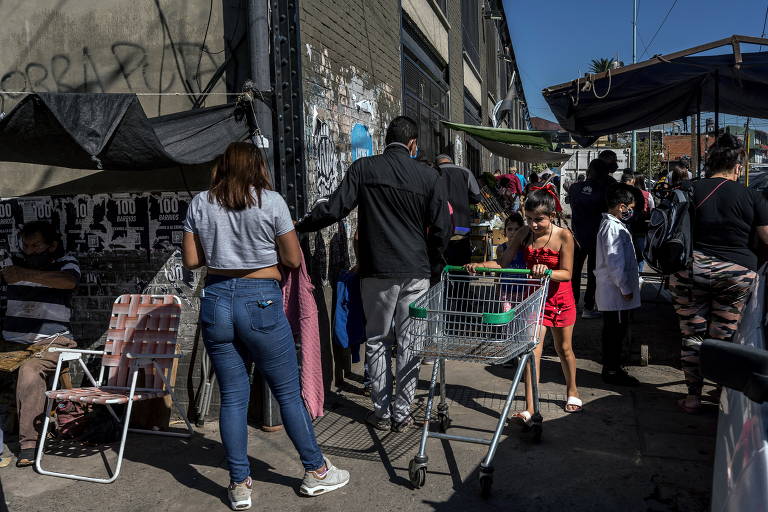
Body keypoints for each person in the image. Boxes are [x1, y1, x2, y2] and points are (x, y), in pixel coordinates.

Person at [182, 142, 349, 509]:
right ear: (258, 166)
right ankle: (316, 471)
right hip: (261, 300)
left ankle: (240, 484)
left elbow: (192, 260)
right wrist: (261, 260)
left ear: (222, 166)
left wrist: (224, 256)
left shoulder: (200, 203)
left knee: (233, 396)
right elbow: (291, 257)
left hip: (217, 300)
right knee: (287, 392)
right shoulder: (271, 202)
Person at [296, 116, 451, 432]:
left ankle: (381, 411)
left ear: (386, 141)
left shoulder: (365, 169)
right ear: (413, 145)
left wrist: (302, 224)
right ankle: (403, 412)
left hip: (376, 269)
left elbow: (335, 207)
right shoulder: (429, 176)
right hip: (416, 270)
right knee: (411, 342)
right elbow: (441, 229)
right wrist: (433, 264)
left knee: (378, 340)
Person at [669, 134, 768, 414]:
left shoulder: (690, 189)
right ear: (738, 166)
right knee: (725, 336)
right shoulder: (752, 196)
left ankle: (692, 397)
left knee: (692, 335)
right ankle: (723, 393)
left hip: (691, 269)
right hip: (736, 275)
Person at [467, 190, 581, 419]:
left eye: (539, 219)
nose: (533, 224)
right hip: (534, 300)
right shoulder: (523, 233)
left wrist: (546, 271)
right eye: (529, 218)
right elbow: (503, 261)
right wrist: (480, 266)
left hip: (559, 300)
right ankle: (531, 407)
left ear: (551, 215)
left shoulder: (564, 236)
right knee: (531, 352)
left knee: (564, 349)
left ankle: (572, 390)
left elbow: (567, 274)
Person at [0, 221, 80, 468]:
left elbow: (69, 282)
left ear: (52, 245)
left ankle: (29, 445)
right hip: (10, 344)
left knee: (30, 371)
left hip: (53, 342)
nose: (30, 250)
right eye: (26, 245)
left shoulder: (65, 263)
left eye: (36, 245)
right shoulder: (12, 264)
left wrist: (25, 274)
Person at [595, 185, 641, 386]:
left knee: (614, 331)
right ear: (622, 207)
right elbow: (615, 263)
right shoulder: (613, 228)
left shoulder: (612, 225)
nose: (631, 211)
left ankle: (613, 367)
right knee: (615, 333)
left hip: (613, 291)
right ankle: (612, 370)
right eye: (630, 207)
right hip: (616, 292)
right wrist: (625, 288)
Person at [568, 159, 613, 319]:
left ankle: (572, 305)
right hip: (596, 238)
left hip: (576, 237)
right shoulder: (605, 190)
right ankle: (588, 307)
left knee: (574, 273)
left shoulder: (574, 188)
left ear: (588, 170)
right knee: (594, 274)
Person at [435, 153, 482, 265]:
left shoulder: (433, 172)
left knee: (442, 268)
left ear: (437, 162)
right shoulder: (466, 172)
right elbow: (476, 197)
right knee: (462, 267)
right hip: (462, 228)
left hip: (440, 228)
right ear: (451, 161)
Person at [633, 171, 655, 274]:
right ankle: (639, 274)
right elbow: (653, 209)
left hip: (629, 227)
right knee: (640, 255)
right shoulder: (647, 194)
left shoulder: (629, 194)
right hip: (642, 227)